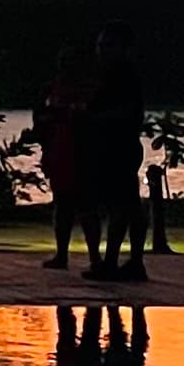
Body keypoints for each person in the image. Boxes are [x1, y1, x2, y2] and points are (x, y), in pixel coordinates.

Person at [79, 26, 149, 283]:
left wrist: (91, 117)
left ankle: (111, 262)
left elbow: (127, 113)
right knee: (123, 205)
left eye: (106, 46)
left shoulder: (123, 77)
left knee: (120, 206)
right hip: (112, 147)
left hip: (118, 147)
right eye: (100, 46)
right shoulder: (111, 76)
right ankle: (117, 261)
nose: (101, 52)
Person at [34, 46, 90, 271]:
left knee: (85, 206)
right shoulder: (50, 90)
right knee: (63, 204)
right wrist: (46, 151)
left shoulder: (87, 91)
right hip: (59, 152)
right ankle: (62, 254)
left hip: (82, 153)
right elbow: (39, 121)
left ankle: (93, 257)